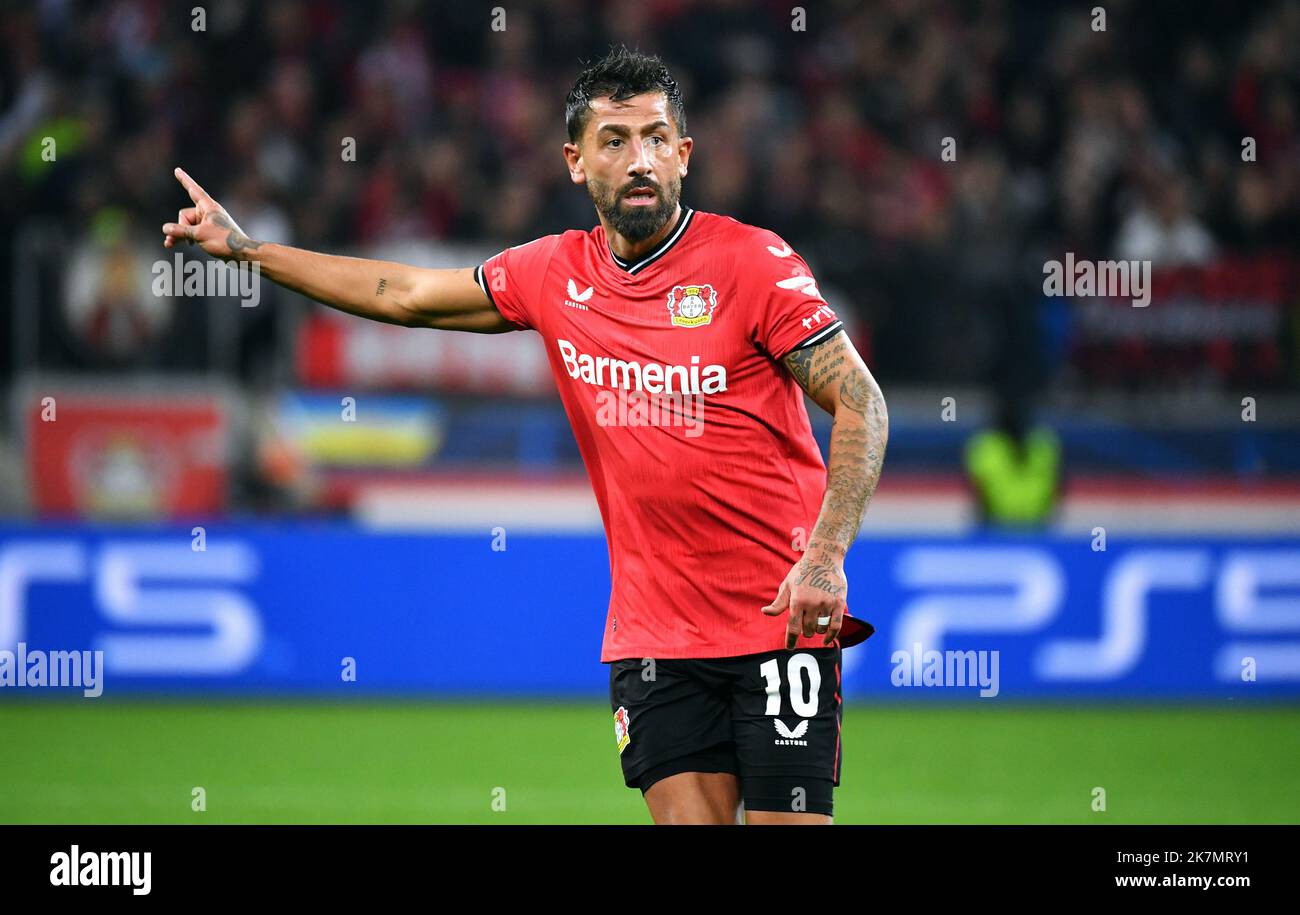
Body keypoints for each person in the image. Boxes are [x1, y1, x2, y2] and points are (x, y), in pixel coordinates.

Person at [161, 46, 888, 825]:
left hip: (781, 620)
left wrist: (825, 555)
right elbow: (405, 294)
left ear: (684, 153)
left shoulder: (753, 263)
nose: (638, 159)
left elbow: (862, 404)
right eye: (615, 140)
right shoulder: (551, 274)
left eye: (654, 137)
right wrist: (250, 251)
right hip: (654, 634)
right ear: (576, 162)